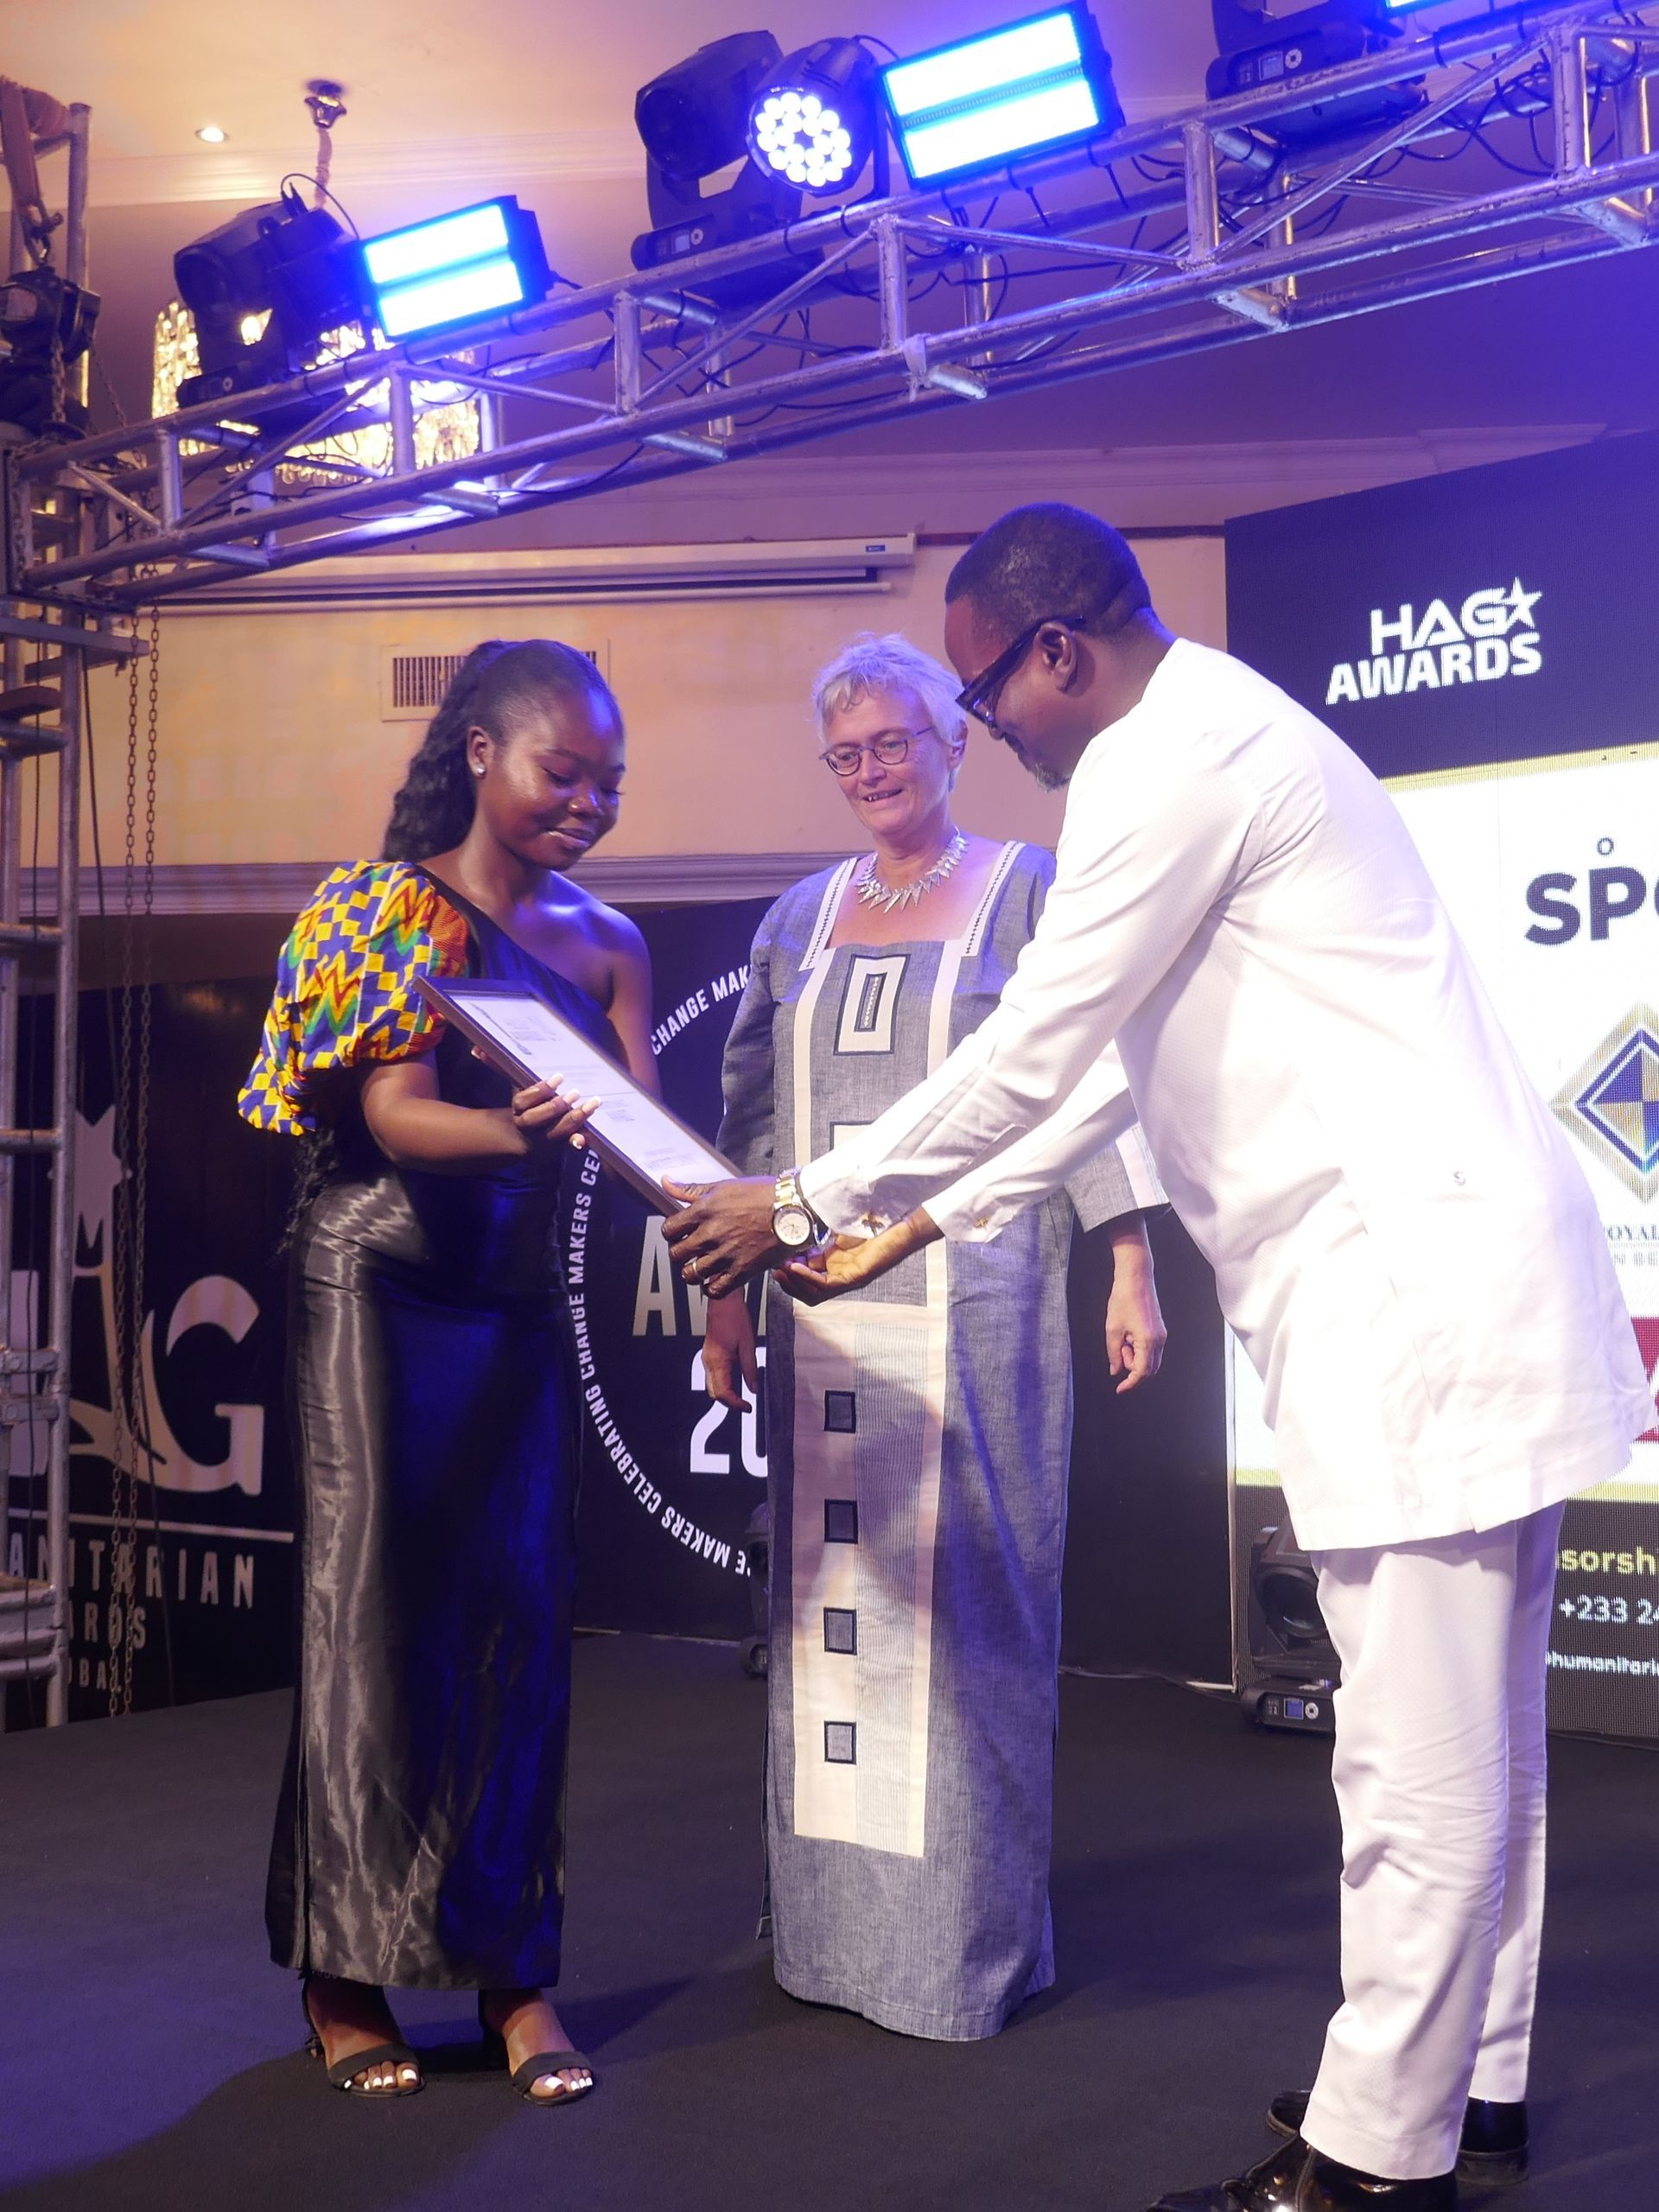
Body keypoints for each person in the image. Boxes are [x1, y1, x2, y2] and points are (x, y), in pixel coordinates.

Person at [660, 507, 1652, 2210]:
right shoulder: (1216, 731)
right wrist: (917, 1220)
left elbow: (1039, 1044)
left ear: (1058, 652)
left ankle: (1376, 2159)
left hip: (1410, 1293)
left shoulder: (1161, 762)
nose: (987, 731)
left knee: (1414, 1754)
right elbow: (1112, 1072)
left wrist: (811, 1192)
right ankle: (1460, 2090)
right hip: (1450, 1276)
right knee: (1479, 1735)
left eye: (983, 695)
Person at [700, 631, 1166, 2042]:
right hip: (823, 1327)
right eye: (844, 754)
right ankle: (830, 1938)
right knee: (836, 1615)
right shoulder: (796, 918)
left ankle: (960, 1951)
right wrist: (723, 1289)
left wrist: (1128, 1259)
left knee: (974, 1616)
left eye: (892, 741)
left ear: (955, 740)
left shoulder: (1031, 891)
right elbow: (750, 1126)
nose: (869, 771)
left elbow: (1088, 1082)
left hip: (981, 1305)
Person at [238, 639, 655, 2104]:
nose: (588, 803)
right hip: (380, 1281)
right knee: (373, 1623)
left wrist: (731, 1246)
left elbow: (647, 1143)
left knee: (519, 1627)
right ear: (481, 752)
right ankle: (343, 1981)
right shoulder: (381, 909)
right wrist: (523, 1129)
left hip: (515, 1299)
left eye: (610, 783)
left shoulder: (610, 941)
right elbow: (395, 1116)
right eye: (563, 773)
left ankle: (514, 1980)